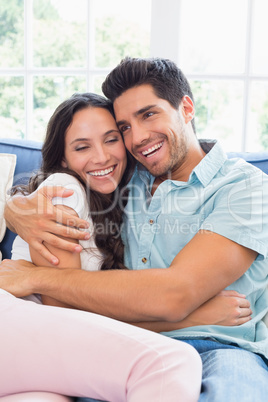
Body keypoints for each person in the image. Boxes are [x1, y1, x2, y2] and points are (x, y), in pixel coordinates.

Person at [2, 57, 268, 401]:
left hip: (224, 347)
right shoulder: (124, 176)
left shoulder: (245, 188)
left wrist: (35, 277)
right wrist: (14, 209)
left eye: (149, 114)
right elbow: (65, 181)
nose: (138, 138)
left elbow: (175, 295)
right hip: (127, 345)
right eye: (125, 127)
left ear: (186, 107)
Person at [0, 92, 204, 401]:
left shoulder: (122, 199)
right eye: (82, 147)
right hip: (19, 324)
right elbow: (62, 308)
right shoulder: (65, 189)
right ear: (63, 158)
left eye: (111, 140)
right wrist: (194, 318)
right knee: (171, 364)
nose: (102, 157)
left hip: (31, 351)